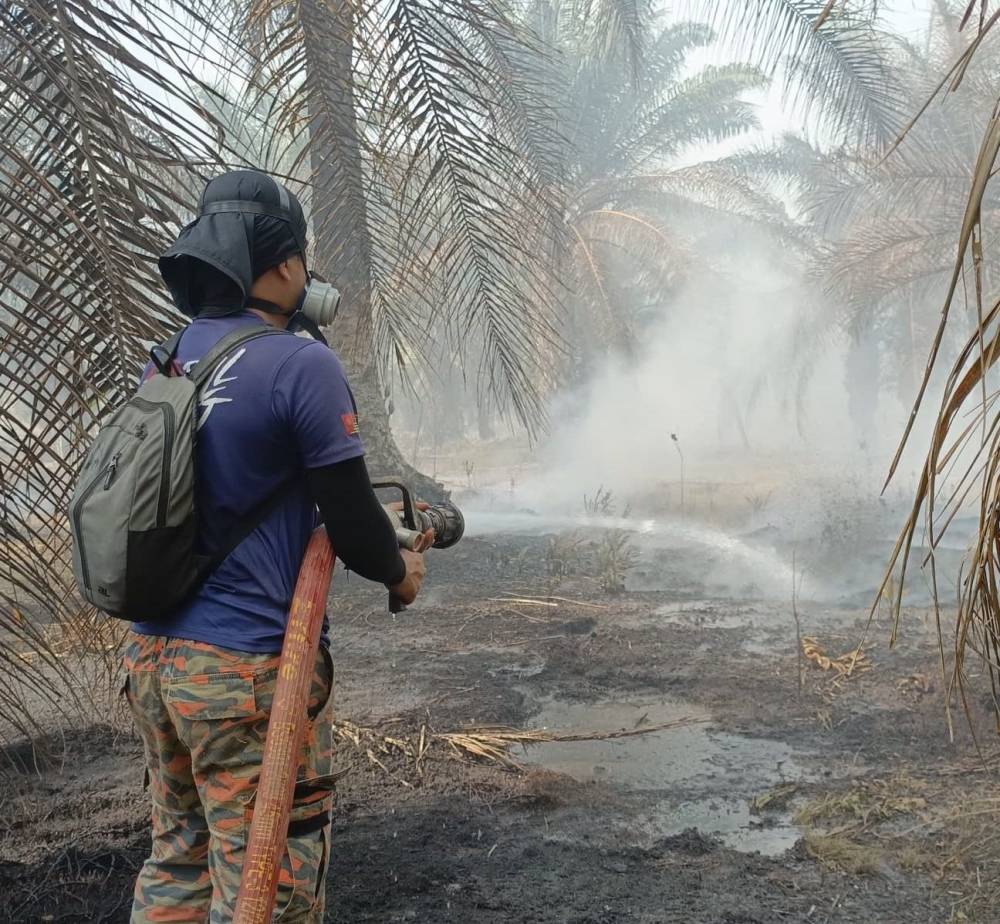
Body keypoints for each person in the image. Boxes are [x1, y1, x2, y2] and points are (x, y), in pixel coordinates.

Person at [123, 169, 428, 923]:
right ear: (289, 263)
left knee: (179, 860)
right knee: (269, 883)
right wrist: (403, 572)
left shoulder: (166, 360)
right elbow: (355, 525)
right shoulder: (300, 363)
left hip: (156, 664)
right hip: (247, 675)